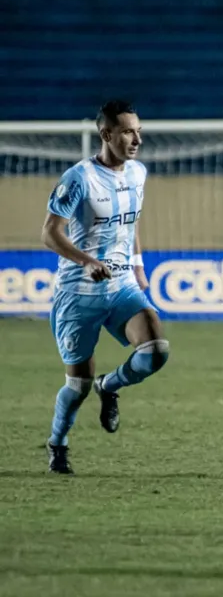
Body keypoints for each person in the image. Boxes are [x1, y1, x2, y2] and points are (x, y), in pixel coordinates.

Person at [41, 101, 170, 474]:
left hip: (122, 285)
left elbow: (131, 225)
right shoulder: (78, 178)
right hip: (78, 293)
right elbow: (49, 233)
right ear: (106, 134)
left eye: (139, 131)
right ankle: (58, 443)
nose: (137, 139)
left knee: (156, 351)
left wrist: (138, 266)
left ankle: (109, 385)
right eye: (128, 131)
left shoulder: (139, 174)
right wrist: (87, 261)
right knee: (76, 386)